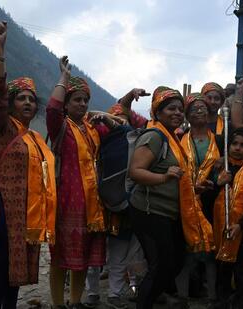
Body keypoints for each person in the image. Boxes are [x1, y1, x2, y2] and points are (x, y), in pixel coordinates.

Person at [0, 21, 57, 308]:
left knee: (18, 267)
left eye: (31, 99)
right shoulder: (2, 127)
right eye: (21, 98)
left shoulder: (36, 137)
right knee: (1, 262)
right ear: (11, 103)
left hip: (30, 207)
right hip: (5, 205)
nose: (27, 102)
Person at [128, 86, 212, 309]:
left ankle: (150, 297)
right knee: (163, 266)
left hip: (169, 213)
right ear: (157, 112)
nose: (176, 113)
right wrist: (164, 177)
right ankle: (144, 302)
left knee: (173, 263)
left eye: (179, 109)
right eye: (170, 109)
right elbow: (135, 172)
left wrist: (196, 188)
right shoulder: (154, 136)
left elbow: (179, 178)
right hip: (149, 211)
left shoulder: (174, 139)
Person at [47, 55, 119, 309]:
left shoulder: (92, 130)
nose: (83, 104)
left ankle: (75, 301)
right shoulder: (60, 127)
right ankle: (58, 304)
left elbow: (121, 132)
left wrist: (107, 118)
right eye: (77, 99)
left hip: (92, 206)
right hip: (67, 202)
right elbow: (52, 109)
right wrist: (64, 78)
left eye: (86, 100)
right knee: (59, 258)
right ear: (67, 104)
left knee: (84, 257)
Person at [84, 89, 150, 309]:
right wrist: (109, 116)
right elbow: (88, 115)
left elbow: (133, 126)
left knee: (119, 253)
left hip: (122, 204)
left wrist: (120, 112)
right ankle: (92, 291)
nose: (118, 123)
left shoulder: (134, 138)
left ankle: (114, 293)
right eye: (115, 119)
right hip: (94, 202)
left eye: (123, 119)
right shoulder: (93, 137)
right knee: (94, 254)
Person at [211, 127, 243, 309]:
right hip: (220, 229)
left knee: (241, 273)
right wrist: (218, 184)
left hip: (242, 232)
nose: (238, 148)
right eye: (234, 144)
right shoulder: (219, 168)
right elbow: (208, 198)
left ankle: (241, 303)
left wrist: (241, 225)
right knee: (222, 270)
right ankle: (221, 302)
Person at [176, 93, 218, 303]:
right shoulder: (179, 139)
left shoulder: (219, 140)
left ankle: (212, 297)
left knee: (211, 254)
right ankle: (183, 297)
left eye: (203, 107)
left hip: (211, 201)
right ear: (187, 115)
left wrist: (217, 181)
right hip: (185, 201)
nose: (199, 111)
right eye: (193, 109)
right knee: (185, 253)